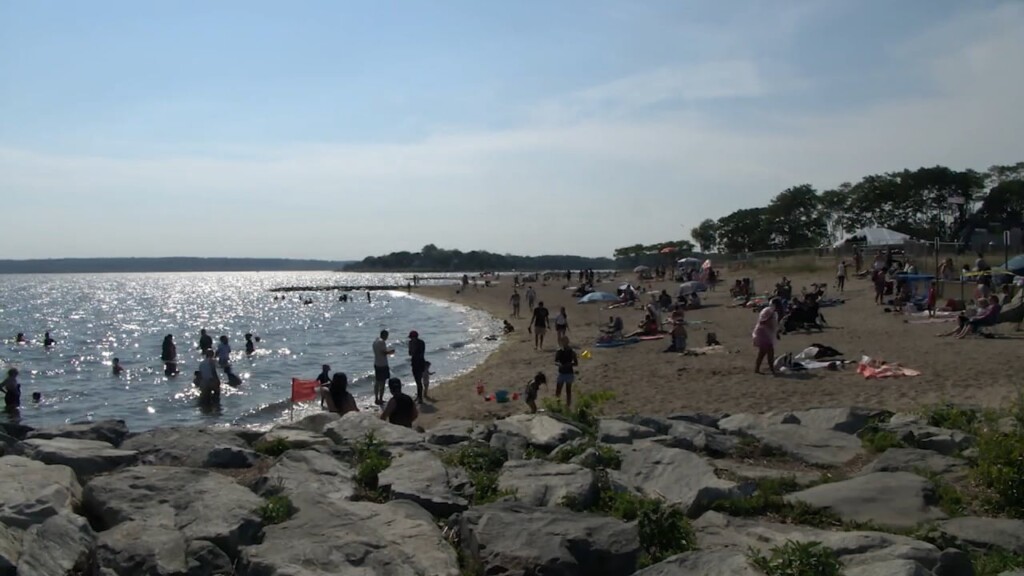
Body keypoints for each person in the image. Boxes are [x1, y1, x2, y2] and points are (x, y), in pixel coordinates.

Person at [753, 298, 781, 375]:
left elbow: (774, 324)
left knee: (763, 352)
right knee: (769, 352)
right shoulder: (768, 311)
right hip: (762, 333)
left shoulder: (774, 313)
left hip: (767, 333)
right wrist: (769, 317)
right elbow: (762, 321)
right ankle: (771, 370)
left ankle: (757, 369)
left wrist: (777, 333)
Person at [372, 330, 395, 405]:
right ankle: (380, 399)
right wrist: (391, 352)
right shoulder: (382, 342)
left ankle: (376, 398)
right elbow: (383, 352)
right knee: (382, 382)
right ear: (384, 335)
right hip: (382, 364)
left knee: (377, 381)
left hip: (376, 363)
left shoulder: (375, 341)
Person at [554, 337, 578, 408]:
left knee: (568, 390)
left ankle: (568, 405)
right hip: (562, 372)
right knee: (558, 390)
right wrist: (559, 364)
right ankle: (558, 404)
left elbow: (576, 363)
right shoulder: (559, 351)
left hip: (568, 373)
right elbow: (556, 361)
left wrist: (569, 364)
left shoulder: (572, 351)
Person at [408, 330, 429, 403]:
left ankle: (420, 397)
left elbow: (419, 353)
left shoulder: (421, 343)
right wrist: (411, 346)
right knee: (417, 381)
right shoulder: (411, 343)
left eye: (411, 338)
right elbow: (410, 353)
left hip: (419, 363)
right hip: (415, 363)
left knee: (419, 381)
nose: (411, 339)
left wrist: (413, 347)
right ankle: (419, 396)